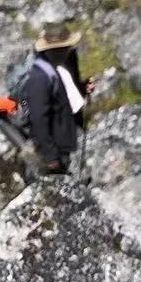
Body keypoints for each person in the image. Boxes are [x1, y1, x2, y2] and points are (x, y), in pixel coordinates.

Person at [28, 20, 92, 174]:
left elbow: (67, 94)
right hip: (56, 150)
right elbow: (38, 118)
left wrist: (83, 88)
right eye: (66, 47)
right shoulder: (40, 77)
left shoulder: (60, 65)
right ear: (55, 50)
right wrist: (51, 156)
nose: (70, 49)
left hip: (66, 139)